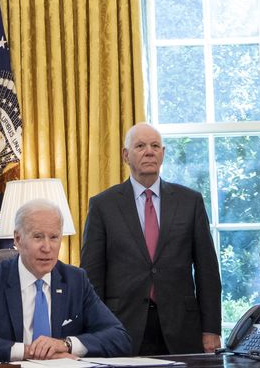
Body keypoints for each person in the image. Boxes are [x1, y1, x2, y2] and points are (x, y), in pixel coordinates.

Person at [82, 123, 223, 354]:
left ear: (163, 153)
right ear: (126, 155)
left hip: (181, 327)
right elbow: (92, 275)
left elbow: (207, 270)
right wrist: (93, 330)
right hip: (120, 327)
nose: (149, 151)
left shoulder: (190, 201)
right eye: (140, 146)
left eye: (155, 146)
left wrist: (211, 329)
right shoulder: (102, 205)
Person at [0, 197, 132, 363]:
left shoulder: (76, 280)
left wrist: (66, 344)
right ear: (18, 240)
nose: (47, 247)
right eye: (38, 237)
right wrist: (29, 351)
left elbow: (120, 338)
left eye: (54, 237)